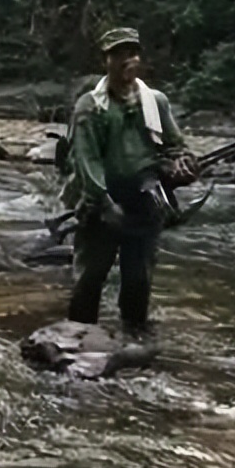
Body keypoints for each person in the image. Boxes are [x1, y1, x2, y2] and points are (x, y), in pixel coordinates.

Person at [61, 27, 198, 334]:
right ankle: (76, 337)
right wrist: (106, 205)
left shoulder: (156, 102)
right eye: (119, 54)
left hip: (145, 198)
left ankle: (134, 337)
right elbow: (87, 162)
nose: (128, 60)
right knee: (90, 275)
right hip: (101, 201)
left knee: (139, 277)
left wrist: (182, 165)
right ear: (106, 60)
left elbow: (175, 145)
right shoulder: (91, 107)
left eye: (133, 53)